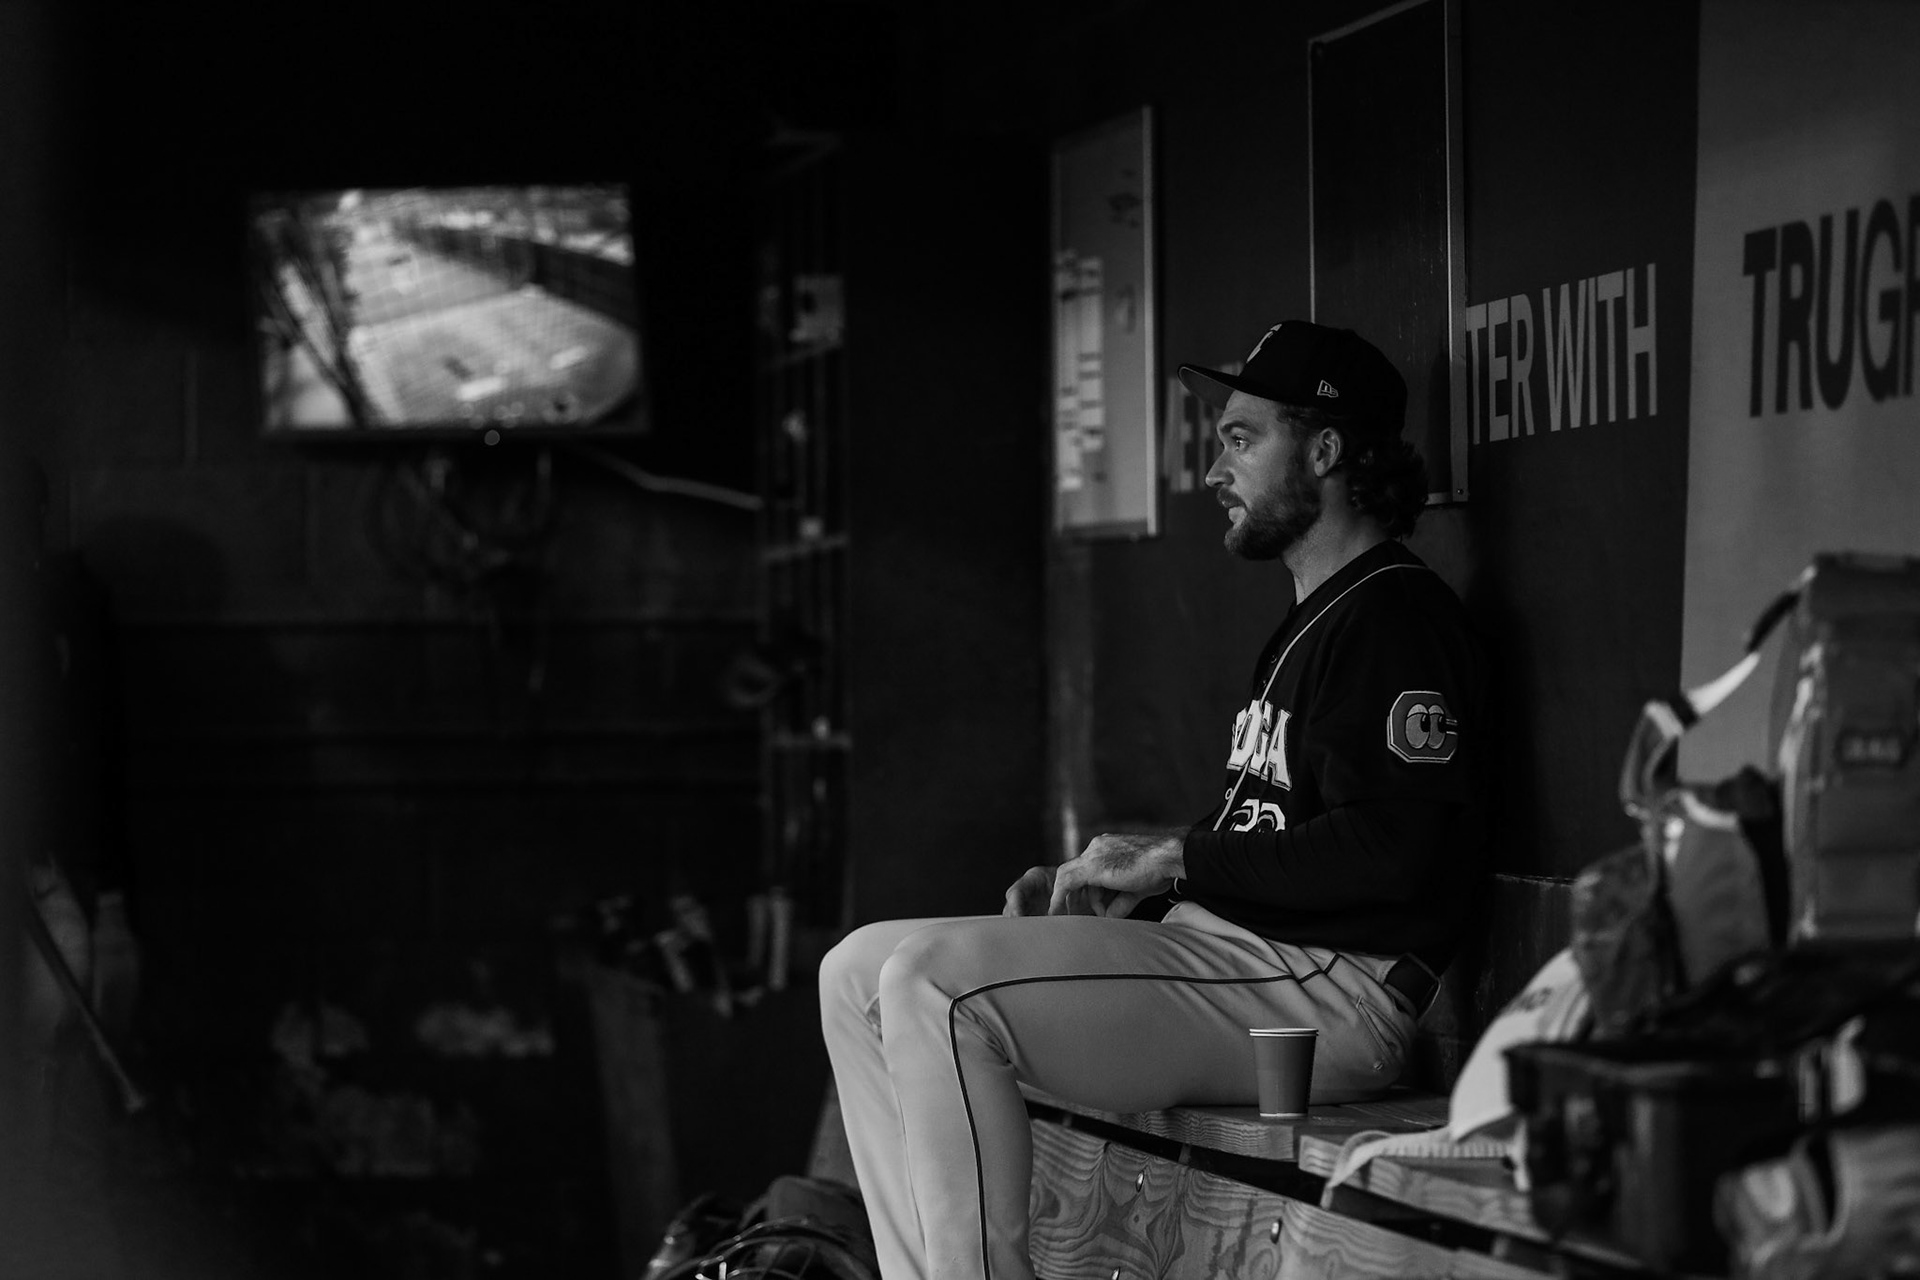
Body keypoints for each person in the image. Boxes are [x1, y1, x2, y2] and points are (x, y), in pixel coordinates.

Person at [819, 321, 1489, 1280]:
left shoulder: (1396, 617)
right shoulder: (1319, 615)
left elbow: (1395, 849)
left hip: (1327, 994)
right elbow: (1272, 835)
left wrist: (1176, 858)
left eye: (1243, 439)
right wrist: (1135, 890)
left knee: (935, 981)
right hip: (1245, 959)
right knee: (855, 970)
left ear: (1326, 452)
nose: (1216, 469)